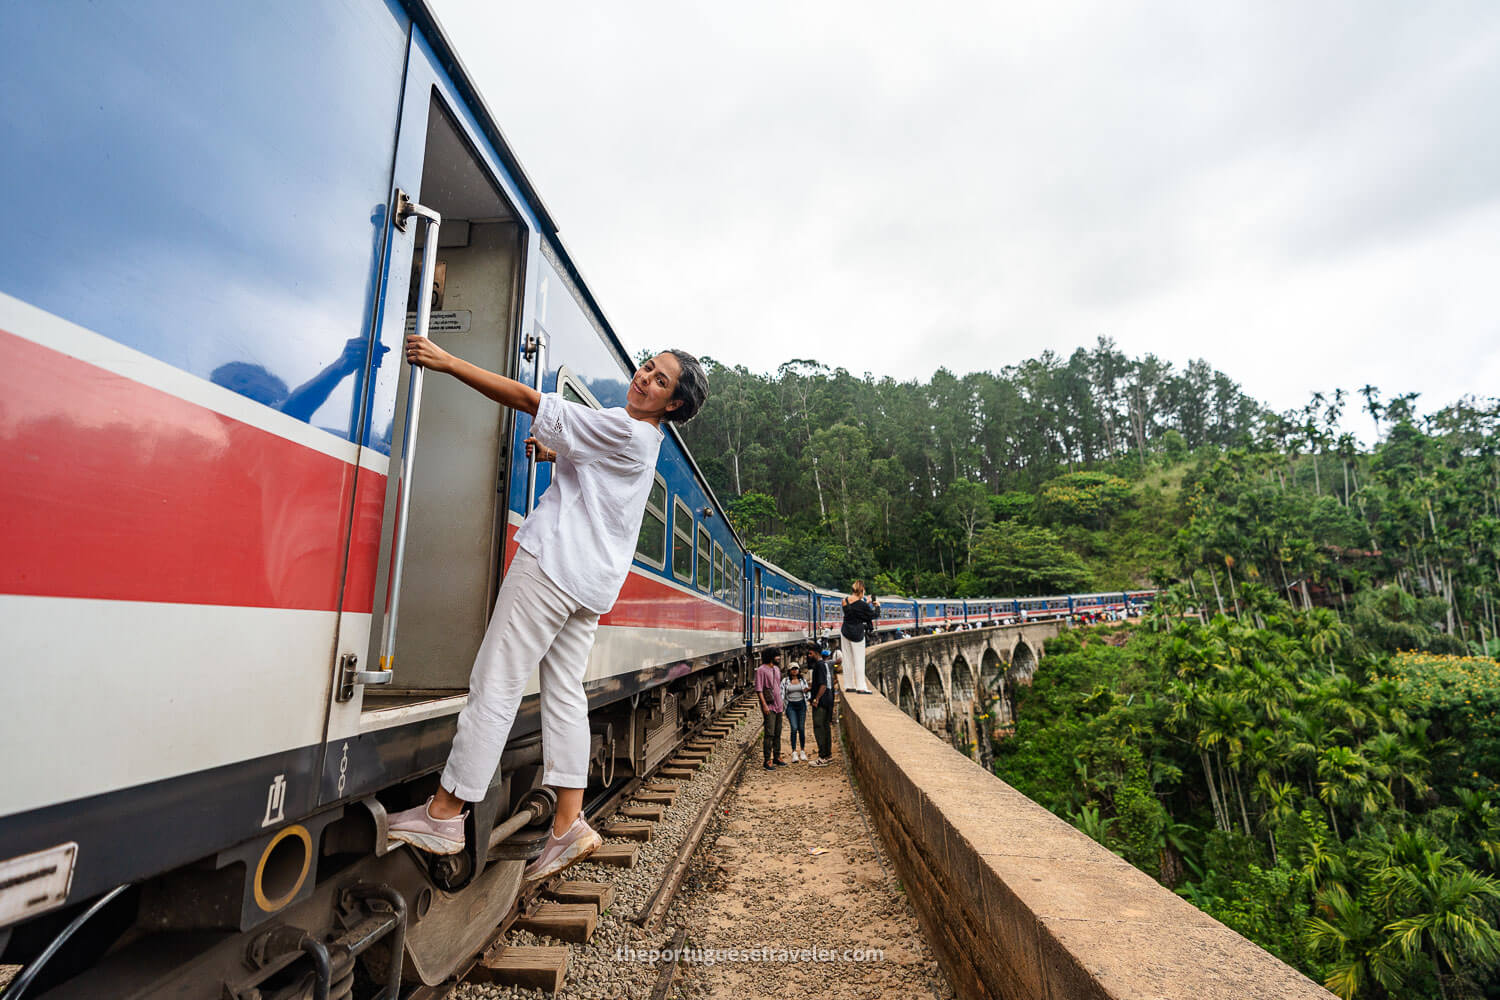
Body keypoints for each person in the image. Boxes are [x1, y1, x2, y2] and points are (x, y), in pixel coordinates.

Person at [384, 336, 708, 885]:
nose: (644, 378)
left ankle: (444, 813)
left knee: (497, 682)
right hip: (588, 586)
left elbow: (532, 401)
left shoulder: (627, 428)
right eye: (647, 367)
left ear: (672, 405)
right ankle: (567, 824)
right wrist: (557, 455)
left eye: (659, 381)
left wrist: (448, 361)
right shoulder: (640, 437)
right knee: (563, 696)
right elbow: (596, 469)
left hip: (553, 566)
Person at [839, 581, 879, 694]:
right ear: (861, 590)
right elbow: (873, 615)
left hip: (845, 631)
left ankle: (849, 685)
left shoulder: (844, 601)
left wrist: (866, 602)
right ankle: (861, 686)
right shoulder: (862, 605)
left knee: (847, 659)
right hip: (857, 633)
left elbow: (855, 610)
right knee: (859, 660)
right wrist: (877, 606)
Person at [755, 648, 787, 770]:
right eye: (777, 656)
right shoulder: (761, 670)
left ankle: (777, 757)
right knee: (769, 733)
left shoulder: (777, 669)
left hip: (779, 705)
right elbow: (759, 689)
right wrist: (764, 705)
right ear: (770, 657)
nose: (779, 658)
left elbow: (778, 687)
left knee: (778, 732)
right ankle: (767, 760)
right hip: (769, 706)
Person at [808, 646, 835, 765]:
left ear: (815, 653)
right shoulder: (824, 664)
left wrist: (816, 699)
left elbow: (823, 685)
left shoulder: (819, 665)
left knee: (819, 727)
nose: (808, 656)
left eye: (810, 654)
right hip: (828, 698)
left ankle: (822, 756)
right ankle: (827, 755)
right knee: (826, 727)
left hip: (822, 700)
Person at [781, 661, 811, 762]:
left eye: (796, 669)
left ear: (798, 670)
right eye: (793, 669)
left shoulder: (802, 680)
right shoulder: (785, 681)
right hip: (791, 706)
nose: (795, 671)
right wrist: (782, 707)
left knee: (801, 728)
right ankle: (794, 752)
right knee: (794, 728)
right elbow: (782, 694)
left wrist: (807, 694)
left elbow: (808, 692)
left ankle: (802, 751)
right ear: (789, 671)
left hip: (801, 705)